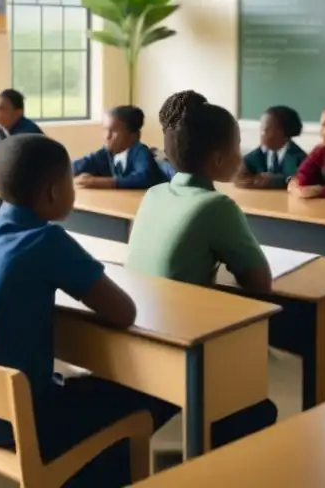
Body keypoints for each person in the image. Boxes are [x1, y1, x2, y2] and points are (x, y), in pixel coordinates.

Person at [0, 134, 177, 486]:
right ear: (53, 192)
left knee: (90, 390)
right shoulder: (47, 241)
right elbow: (123, 312)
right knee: (158, 389)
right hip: (18, 419)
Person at [125, 91, 278, 442]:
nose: (242, 155)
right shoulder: (217, 205)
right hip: (175, 352)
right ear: (219, 157)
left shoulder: (155, 194)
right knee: (257, 409)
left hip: (139, 334)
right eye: (238, 146)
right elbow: (260, 284)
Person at [73, 106, 167, 190]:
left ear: (134, 135)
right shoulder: (106, 153)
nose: (107, 136)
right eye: (105, 130)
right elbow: (79, 165)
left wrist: (99, 182)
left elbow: (143, 177)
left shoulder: (140, 152)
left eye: (114, 132)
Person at [234, 105, 307, 189]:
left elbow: (301, 180)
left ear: (283, 132)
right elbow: (240, 172)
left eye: (265, 130)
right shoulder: (257, 155)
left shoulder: (300, 158)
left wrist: (275, 181)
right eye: (261, 129)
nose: (261, 134)